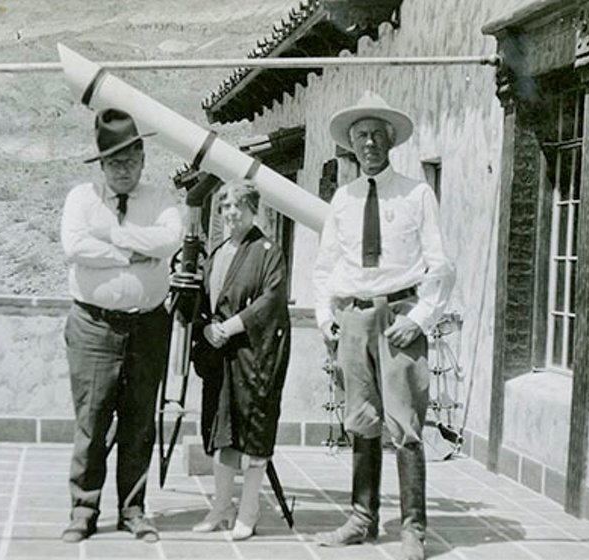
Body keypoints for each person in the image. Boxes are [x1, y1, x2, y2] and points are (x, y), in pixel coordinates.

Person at [313, 91, 456, 560]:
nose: (369, 143)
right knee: (362, 421)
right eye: (360, 137)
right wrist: (326, 315)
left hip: (399, 318)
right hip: (354, 317)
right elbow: (324, 268)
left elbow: (440, 266)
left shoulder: (416, 193)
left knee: (406, 426)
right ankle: (362, 518)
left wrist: (418, 319)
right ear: (350, 146)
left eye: (377, 135)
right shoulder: (343, 198)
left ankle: (413, 527)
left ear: (391, 140)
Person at [59, 108, 182, 543]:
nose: (123, 170)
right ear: (101, 164)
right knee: (92, 419)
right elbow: (74, 246)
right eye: (114, 162)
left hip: (149, 326)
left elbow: (170, 241)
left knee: (139, 421)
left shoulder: (161, 199)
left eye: (130, 160)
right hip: (94, 326)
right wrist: (134, 253)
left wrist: (112, 237)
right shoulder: (81, 199)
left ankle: (133, 509)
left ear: (143, 158)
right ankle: (83, 509)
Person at [189, 181, 291, 541]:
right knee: (223, 433)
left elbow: (271, 301)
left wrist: (229, 328)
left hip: (255, 357)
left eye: (239, 206)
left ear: (253, 210)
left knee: (254, 432)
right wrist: (205, 331)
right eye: (226, 206)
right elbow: (204, 304)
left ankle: (248, 510)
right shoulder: (217, 254)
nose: (232, 213)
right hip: (221, 357)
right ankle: (221, 508)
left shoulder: (268, 252)